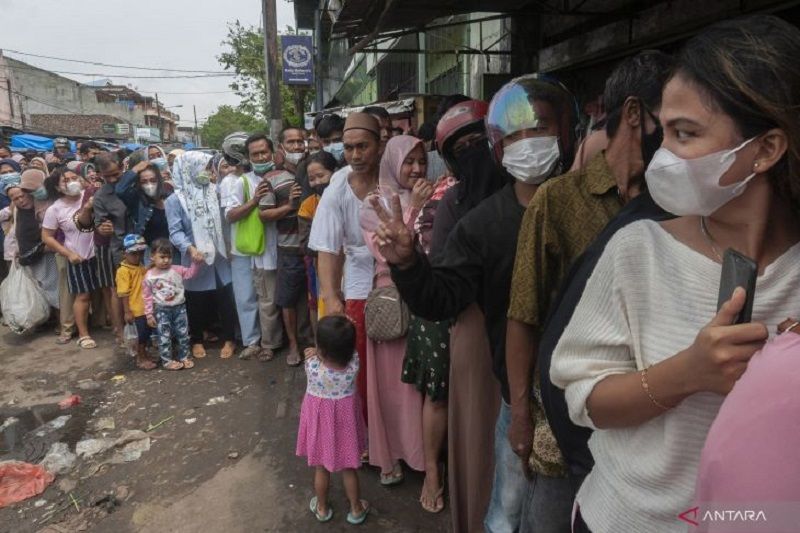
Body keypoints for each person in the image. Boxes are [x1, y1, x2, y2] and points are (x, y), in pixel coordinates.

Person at [550, 16, 800, 533]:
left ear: (767, 150)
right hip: (625, 518)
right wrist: (688, 373)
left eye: (686, 134)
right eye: (664, 131)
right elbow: (583, 399)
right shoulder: (637, 250)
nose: (661, 156)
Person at [374, 78, 580, 532]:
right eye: (515, 134)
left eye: (539, 128)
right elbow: (440, 296)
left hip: (588, 397)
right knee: (507, 510)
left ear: (565, 132)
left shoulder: (590, 208)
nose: (528, 143)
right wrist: (409, 263)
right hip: (519, 395)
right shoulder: (482, 224)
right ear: (499, 146)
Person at [503, 52, 672, 530]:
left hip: (643, 426)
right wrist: (520, 414)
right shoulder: (558, 200)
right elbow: (523, 314)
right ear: (636, 116)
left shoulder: (678, 206)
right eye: (675, 123)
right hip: (560, 427)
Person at [359, 134, 432, 490]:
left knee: (420, 386)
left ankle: (422, 454)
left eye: (422, 160)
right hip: (392, 300)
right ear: (393, 162)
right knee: (392, 385)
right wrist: (415, 209)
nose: (417, 168)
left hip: (427, 298)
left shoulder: (438, 194)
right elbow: (390, 250)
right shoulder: (375, 202)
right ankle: (389, 456)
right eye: (409, 161)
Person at [309, 112, 384, 430]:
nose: (355, 155)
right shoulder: (337, 186)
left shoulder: (393, 175)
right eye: (349, 147)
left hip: (398, 278)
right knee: (362, 363)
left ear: (379, 145)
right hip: (357, 282)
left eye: (363, 146)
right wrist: (332, 299)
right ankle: (366, 433)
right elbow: (327, 248)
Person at [296, 315, 370, 525]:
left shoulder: (311, 366)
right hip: (345, 424)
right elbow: (347, 353)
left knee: (321, 468)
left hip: (321, 425)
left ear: (321, 349)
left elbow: (311, 357)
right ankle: (356, 509)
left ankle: (321, 507)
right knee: (349, 467)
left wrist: (313, 355)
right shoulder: (354, 363)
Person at [166, 152, 237, 360]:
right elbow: (175, 231)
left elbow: (225, 221)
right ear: (189, 169)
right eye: (204, 167)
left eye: (209, 167)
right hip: (194, 256)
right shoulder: (175, 199)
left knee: (225, 297)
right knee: (196, 301)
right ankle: (197, 340)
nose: (208, 172)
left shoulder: (214, 191)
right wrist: (189, 248)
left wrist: (229, 244)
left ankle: (230, 339)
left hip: (220, 255)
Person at [223, 133, 282, 361]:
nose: (260, 157)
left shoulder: (281, 176)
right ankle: (251, 341)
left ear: (272, 152)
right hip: (245, 250)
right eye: (255, 154)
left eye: (263, 152)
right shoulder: (242, 182)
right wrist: (255, 200)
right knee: (246, 297)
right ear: (248, 157)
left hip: (273, 246)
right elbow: (230, 215)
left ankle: (272, 340)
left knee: (272, 297)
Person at [258, 162, 312, 366]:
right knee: (287, 300)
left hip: (316, 249)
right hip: (289, 250)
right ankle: (293, 345)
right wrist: (289, 205)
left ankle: (312, 343)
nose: (296, 146)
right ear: (281, 148)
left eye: (300, 141)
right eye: (291, 142)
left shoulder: (316, 168)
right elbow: (263, 214)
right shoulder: (272, 177)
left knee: (314, 298)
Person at [41, 167, 100, 349]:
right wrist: (68, 253)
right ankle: (83, 334)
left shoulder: (91, 196)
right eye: (66, 180)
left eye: (74, 177)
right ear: (58, 188)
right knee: (83, 295)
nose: (72, 181)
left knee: (107, 293)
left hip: (100, 254)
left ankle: (111, 327)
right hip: (78, 257)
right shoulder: (55, 209)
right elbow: (47, 237)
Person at [143, 238, 200, 370]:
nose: (166, 260)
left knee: (183, 334)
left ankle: (184, 357)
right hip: (161, 310)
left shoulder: (177, 269)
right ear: (152, 257)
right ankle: (167, 361)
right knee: (164, 336)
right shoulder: (149, 276)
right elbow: (147, 297)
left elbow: (190, 274)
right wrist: (149, 315)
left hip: (179, 308)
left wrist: (196, 264)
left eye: (169, 257)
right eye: (162, 257)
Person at [298, 151, 337, 325]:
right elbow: (305, 244)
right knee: (317, 303)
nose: (317, 182)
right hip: (319, 266)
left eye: (321, 175)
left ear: (334, 172)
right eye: (312, 179)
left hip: (350, 267)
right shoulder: (308, 206)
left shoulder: (347, 198)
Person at [116, 234, 156, 370]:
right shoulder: (123, 271)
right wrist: (127, 311)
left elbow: (145, 273)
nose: (137, 257)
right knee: (141, 337)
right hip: (136, 309)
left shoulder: (139, 267)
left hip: (145, 308)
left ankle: (144, 354)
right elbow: (123, 293)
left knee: (145, 335)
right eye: (134, 254)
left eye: (140, 253)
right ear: (124, 254)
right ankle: (141, 358)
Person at [116, 161, 171, 249]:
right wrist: (134, 170)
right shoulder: (138, 201)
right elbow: (120, 190)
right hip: (150, 254)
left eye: (153, 180)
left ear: (159, 180)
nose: (149, 185)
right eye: (144, 182)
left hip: (172, 252)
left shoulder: (170, 198)